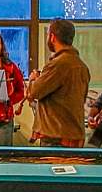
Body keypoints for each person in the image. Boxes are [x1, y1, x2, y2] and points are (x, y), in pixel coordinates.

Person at [25, 18, 92, 147]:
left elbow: (33, 93)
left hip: (56, 136)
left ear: (52, 36)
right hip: (74, 134)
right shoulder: (81, 65)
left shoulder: (58, 64)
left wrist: (34, 79)